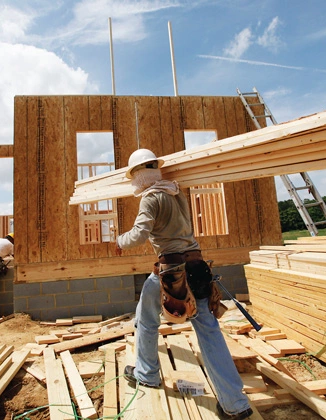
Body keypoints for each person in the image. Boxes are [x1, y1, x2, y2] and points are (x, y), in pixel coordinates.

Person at [115, 149, 253, 420]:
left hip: (172, 273)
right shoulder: (176, 192)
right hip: (196, 267)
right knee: (210, 330)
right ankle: (235, 404)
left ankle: (147, 374)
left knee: (145, 319)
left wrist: (119, 241)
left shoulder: (150, 198)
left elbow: (139, 234)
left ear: (139, 174)